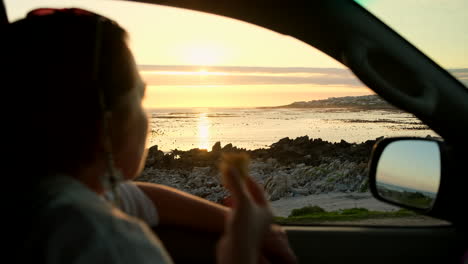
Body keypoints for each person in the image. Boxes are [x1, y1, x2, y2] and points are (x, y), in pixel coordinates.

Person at [6, 8, 297, 264]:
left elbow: (134, 196)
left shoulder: (36, 195)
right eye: (140, 99)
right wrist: (240, 250)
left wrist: (238, 224)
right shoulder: (102, 240)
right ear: (107, 128)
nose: (148, 117)